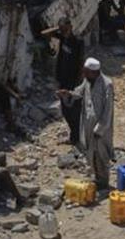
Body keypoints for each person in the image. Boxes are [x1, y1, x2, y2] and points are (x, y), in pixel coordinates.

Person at [59, 58, 114, 190]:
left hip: (101, 128)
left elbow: (108, 110)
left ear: (95, 72)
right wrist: (68, 94)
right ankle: (97, 178)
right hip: (88, 124)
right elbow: (79, 92)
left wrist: (99, 130)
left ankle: (104, 182)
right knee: (91, 153)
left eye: (86, 72)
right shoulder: (88, 81)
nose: (84, 75)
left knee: (101, 154)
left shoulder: (107, 84)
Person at [46, 17, 83, 144]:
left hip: (73, 81)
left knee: (72, 109)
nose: (64, 32)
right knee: (65, 110)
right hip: (62, 79)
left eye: (66, 29)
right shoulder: (62, 38)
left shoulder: (78, 41)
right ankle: (75, 135)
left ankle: (75, 137)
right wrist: (58, 28)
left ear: (71, 27)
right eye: (62, 30)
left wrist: (78, 83)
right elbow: (45, 33)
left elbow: (81, 62)